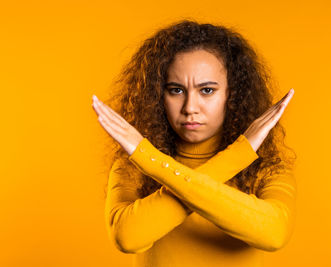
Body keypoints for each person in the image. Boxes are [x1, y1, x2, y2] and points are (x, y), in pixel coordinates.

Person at [92, 19, 297, 267]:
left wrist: (151, 159)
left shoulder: (266, 169)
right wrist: (238, 155)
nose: (190, 108)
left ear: (232, 95)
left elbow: (273, 234)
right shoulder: (134, 167)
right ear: (159, 95)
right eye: (176, 90)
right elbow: (127, 237)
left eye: (207, 90)